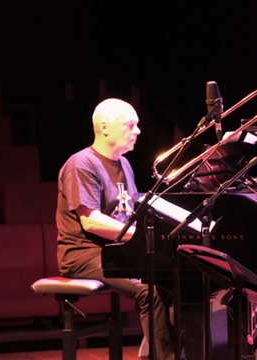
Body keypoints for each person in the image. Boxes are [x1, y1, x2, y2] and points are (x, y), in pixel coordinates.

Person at [57, 98, 176, 360]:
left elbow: (130, 216)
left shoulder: (124, 164)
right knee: (151, 291)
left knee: (175, 280)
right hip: (85, 255)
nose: (138, 131)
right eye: (130, 125)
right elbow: (91, 221)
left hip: (118, 251)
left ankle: (169, 351)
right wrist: (144, 237)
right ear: (105, 127)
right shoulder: (81, 163)